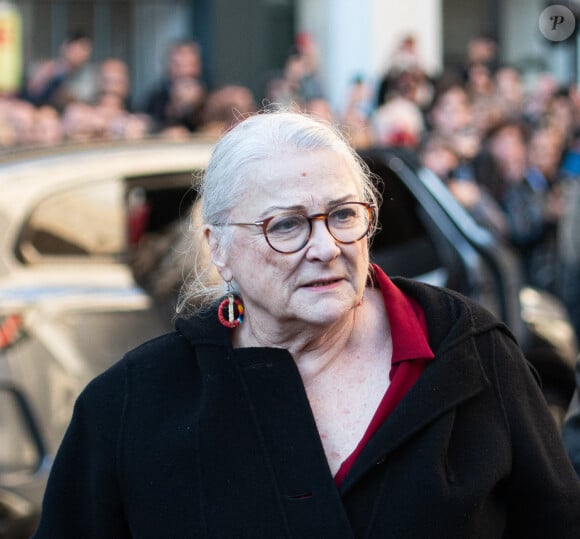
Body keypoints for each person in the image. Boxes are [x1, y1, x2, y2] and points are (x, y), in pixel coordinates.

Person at [33, 110, 580, 538]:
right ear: (218, 249)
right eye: (286, 225)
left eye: (344, 215)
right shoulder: (134, 403)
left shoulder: (469, 351)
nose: (325, 247)